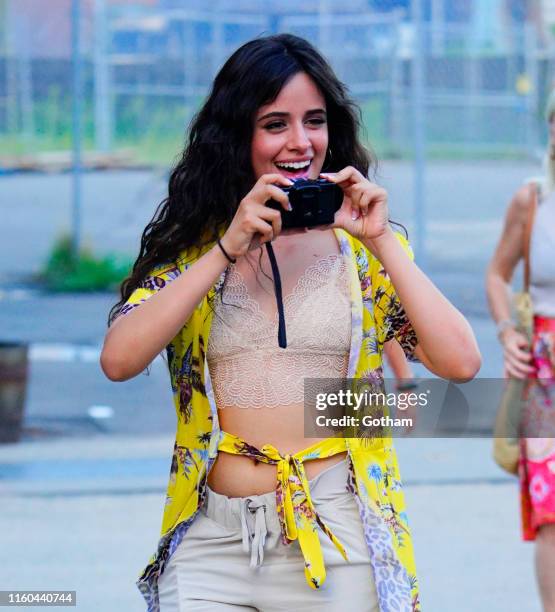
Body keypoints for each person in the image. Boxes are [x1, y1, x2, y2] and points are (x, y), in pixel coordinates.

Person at [101, 34, 480, 612]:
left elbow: (461, 363)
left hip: (334, 536)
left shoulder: (364, 255)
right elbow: (118, 361)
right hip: (212, 542)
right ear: (237, 137)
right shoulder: (193, 254)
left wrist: (381, 240)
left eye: (315, 121)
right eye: (275, 124)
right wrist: (227, 247)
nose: (300, 142)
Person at [486, 90, 555, 612]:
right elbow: (497, 273)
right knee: (551, 511)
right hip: (545, 371)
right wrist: (508, 331)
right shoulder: (533, 200)